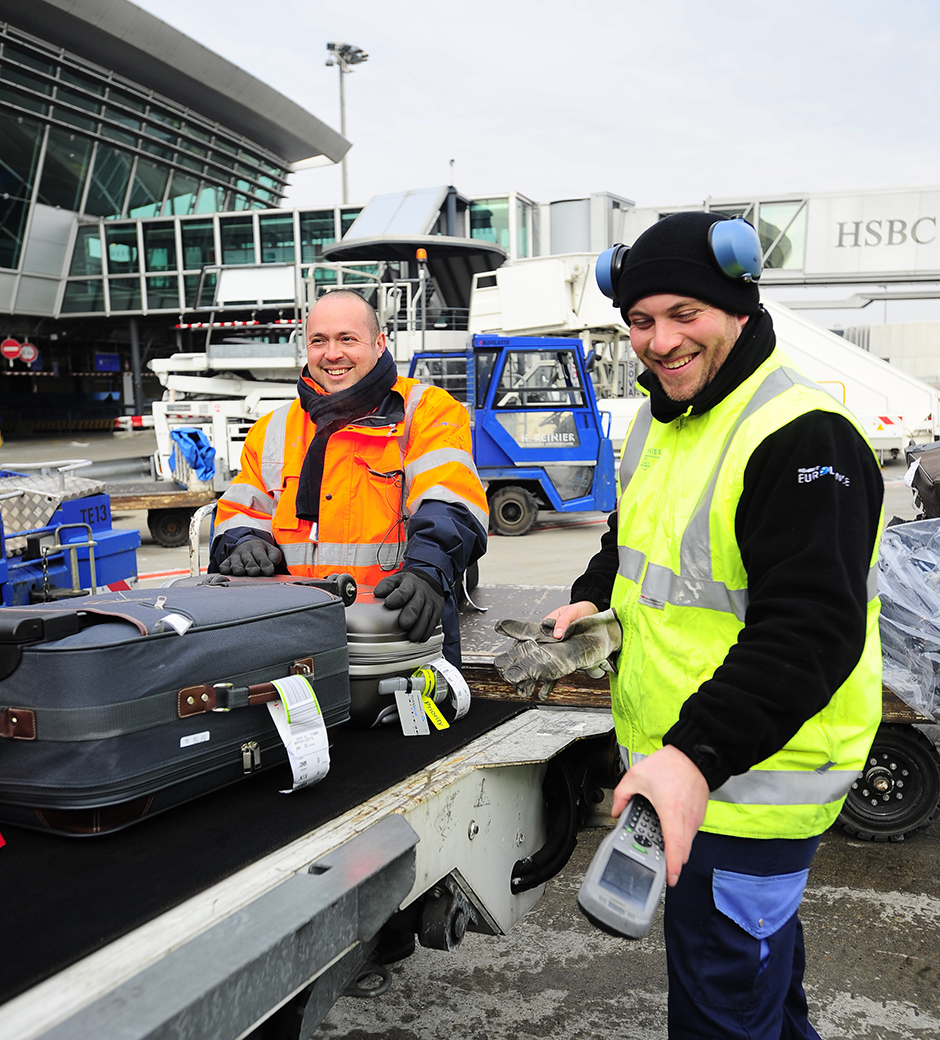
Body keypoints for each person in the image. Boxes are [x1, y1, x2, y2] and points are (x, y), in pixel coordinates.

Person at [545, 212, 883, 1039]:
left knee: (721, 1011)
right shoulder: (664, 418)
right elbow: (634, 537)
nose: (659, 342)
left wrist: (696, 757)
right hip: (690, 770)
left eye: (683, 314)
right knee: (758, 991)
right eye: (640, 321)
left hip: (748, 784)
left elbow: (811, 628)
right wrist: (594, 595)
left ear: (738, 306)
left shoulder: (802, 434)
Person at [209, 288, 488, 666]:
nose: (332, 354)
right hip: (292, 645)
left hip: (396, 637)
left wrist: (428, 571)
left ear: (379, 343)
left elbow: (450, 499)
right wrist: (243, 541)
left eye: (347, 339)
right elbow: (242, 507)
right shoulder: (273, 429)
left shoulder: (427, 412)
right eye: (318, 341)